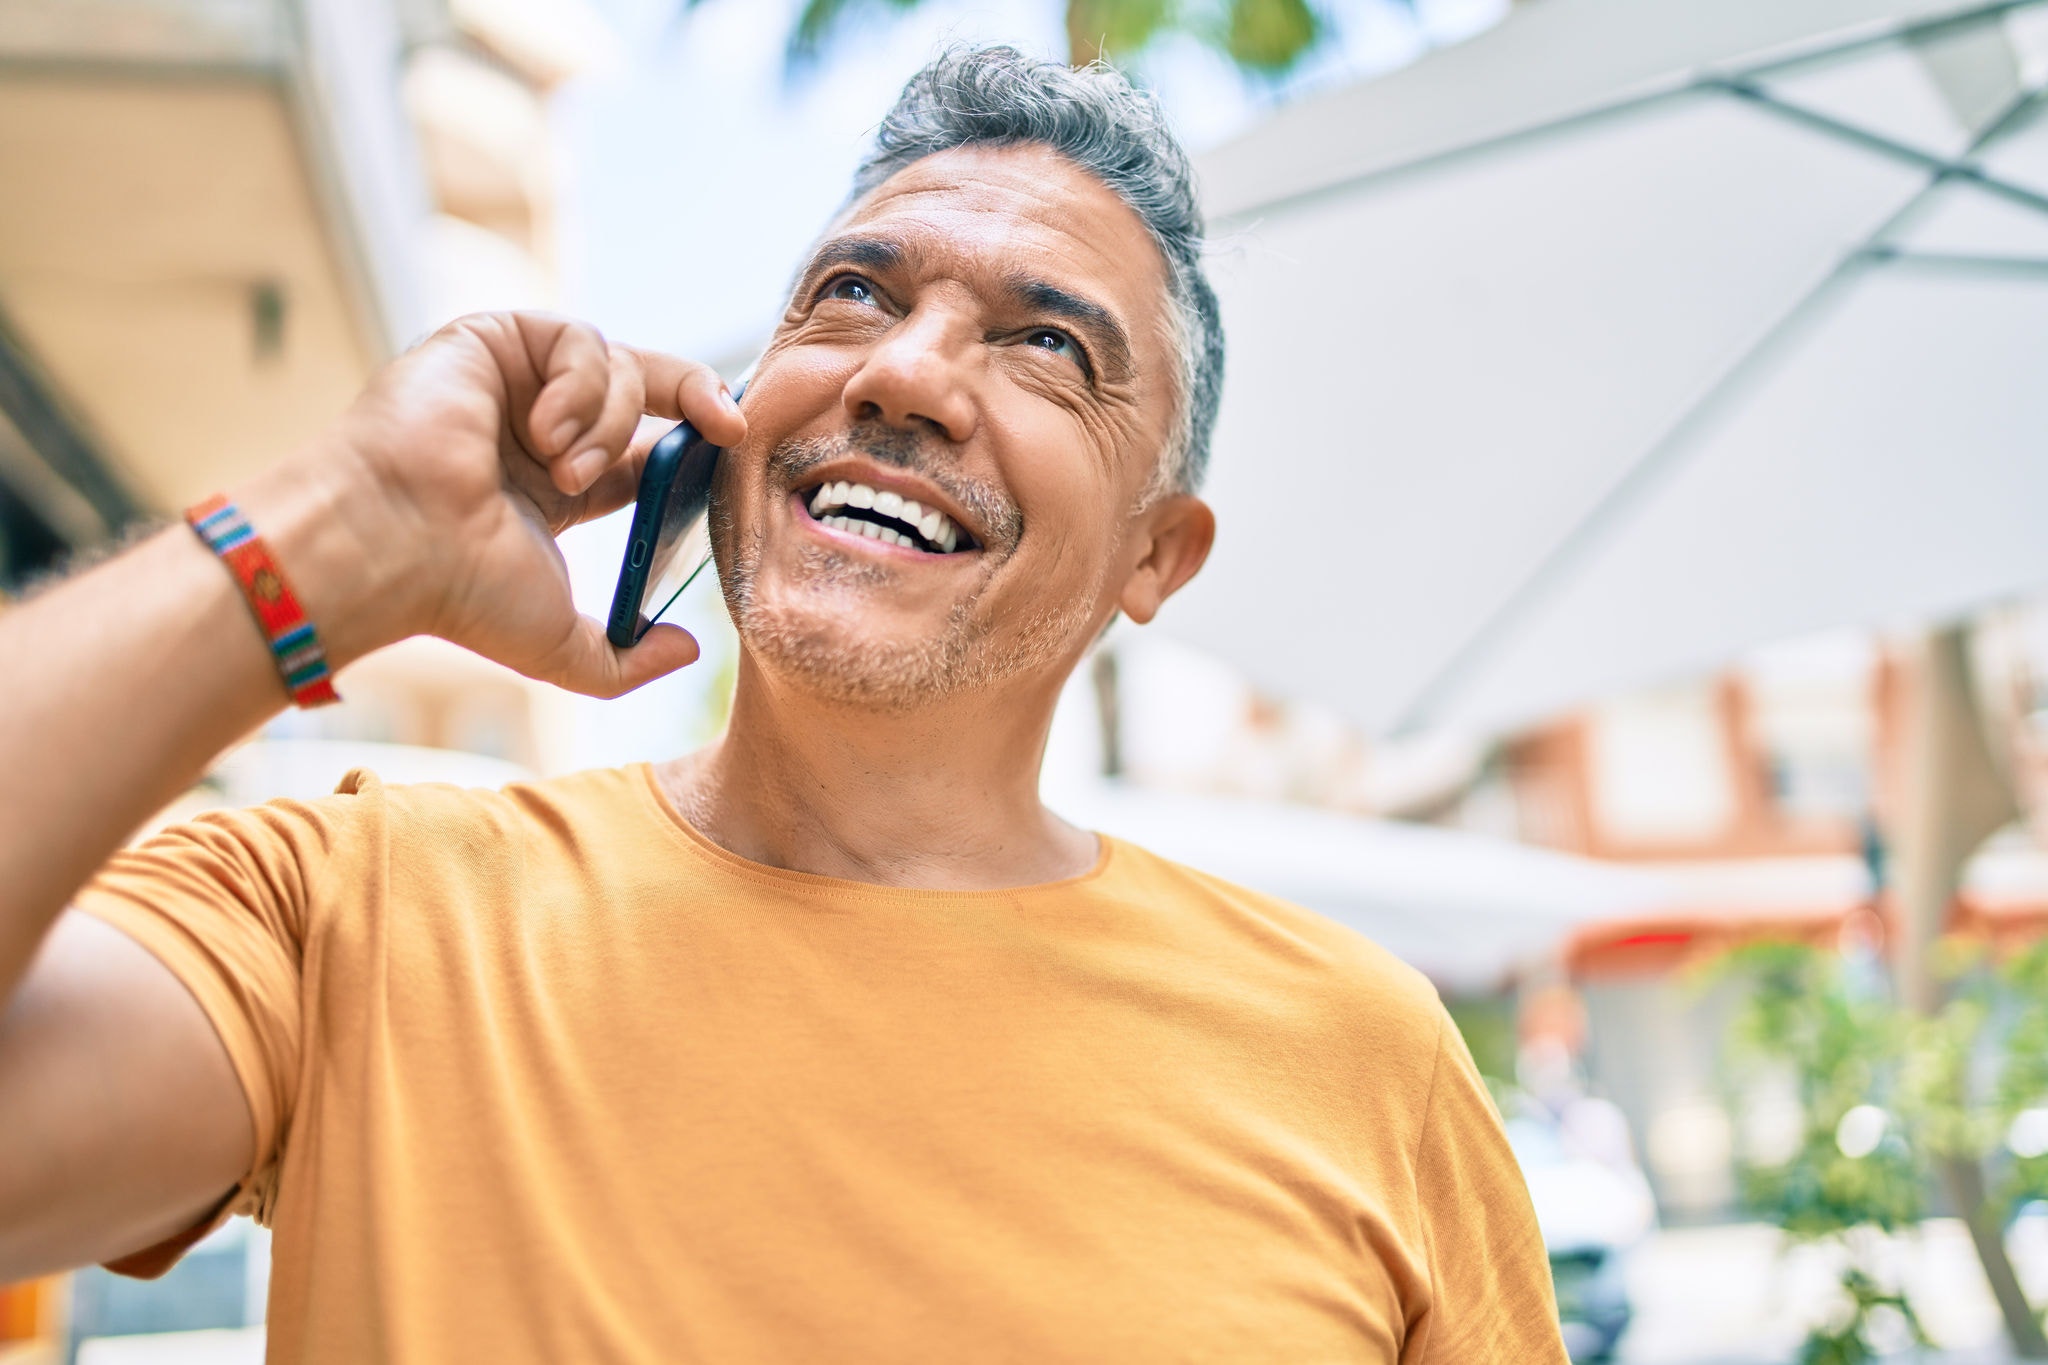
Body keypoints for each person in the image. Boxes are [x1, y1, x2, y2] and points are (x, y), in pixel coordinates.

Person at [0, 47, 1565, 1363]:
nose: (909, 373)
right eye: (851, 294)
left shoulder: (1364, 1061)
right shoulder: (360, 916)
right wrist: (337, 530)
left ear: (1157, 554)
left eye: (1046, 342)